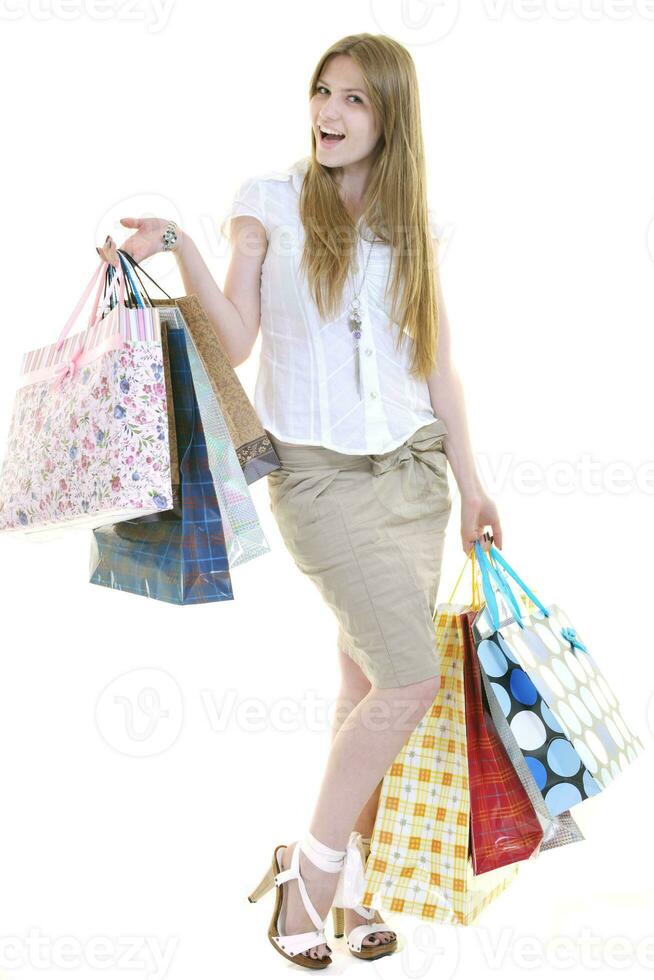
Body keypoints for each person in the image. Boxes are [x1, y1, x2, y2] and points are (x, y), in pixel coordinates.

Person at [118, 31, 501, 972]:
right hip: (319, 482)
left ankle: (355, 883)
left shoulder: (417, 222)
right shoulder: (269, 203)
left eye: (356, 100)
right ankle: (311, 879)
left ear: (391, 116)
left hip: (413, 475)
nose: (329, 113)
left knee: (368, 685)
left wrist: (474, 485)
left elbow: (436, 365)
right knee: (410, 681)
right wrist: (178, 247)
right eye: (322, 92)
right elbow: (238, 338)